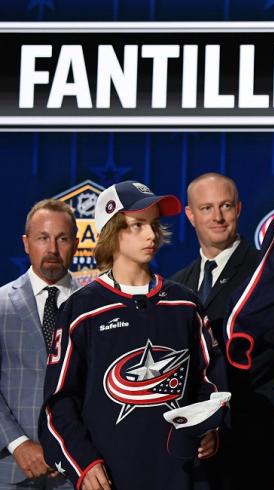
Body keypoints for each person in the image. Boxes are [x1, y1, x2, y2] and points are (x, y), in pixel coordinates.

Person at [39, 180, 225, 490]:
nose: (152, 235)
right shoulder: (82, 310)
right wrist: (82, 463)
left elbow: (212, 380)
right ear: (111, 231)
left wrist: (211, 428)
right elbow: (58, 404)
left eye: (153, 224)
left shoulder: (185, 304)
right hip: (112, 479)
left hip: (184, 478)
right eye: (136, 226)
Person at [170, 173, 274, 490]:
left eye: (225, 206)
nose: (218, 217)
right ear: (190, 215)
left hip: (252, 439)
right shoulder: (177, 285)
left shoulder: (265, 271)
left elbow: (261, 352)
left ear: (238, 209)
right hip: (196, 445)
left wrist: (207, 410)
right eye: (207, 207)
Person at [0, 200, 78, 490]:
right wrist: (18, 444)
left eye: (62, 239)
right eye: (43, 238)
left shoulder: (94, 310)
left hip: (76, 470)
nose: (53, 250)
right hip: (10, 470)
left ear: (76, 243)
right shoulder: (0, 305)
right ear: (26, 243)